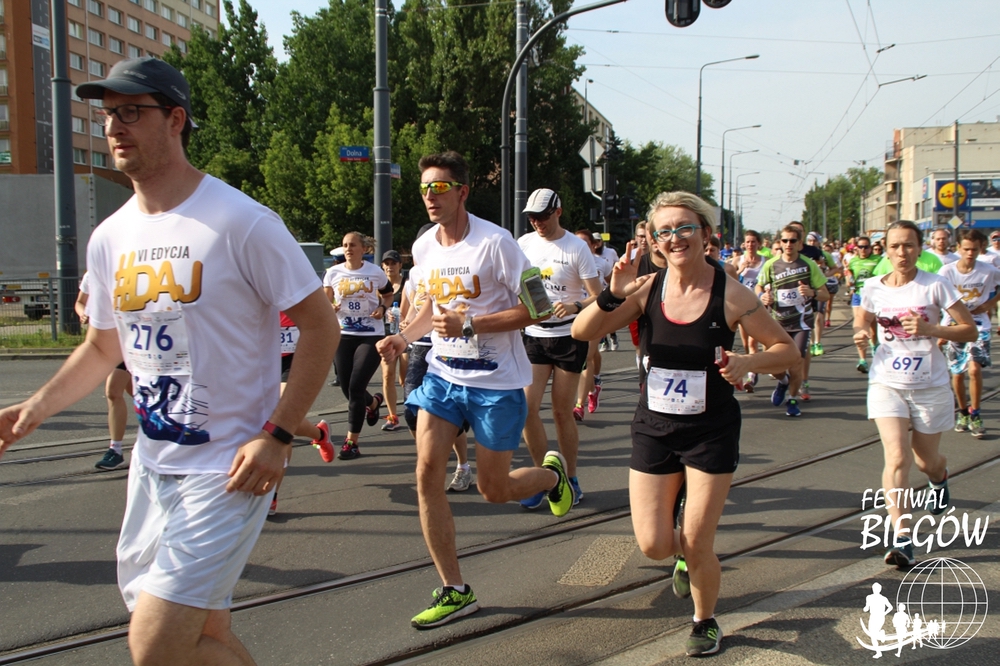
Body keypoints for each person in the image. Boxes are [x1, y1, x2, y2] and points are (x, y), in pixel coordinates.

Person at [0, 57, 339, 666]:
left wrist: (278, 435)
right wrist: (34, 409)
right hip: (153, 466)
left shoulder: (241, 221)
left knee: (153, 643)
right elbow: (103, 346)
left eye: (132, 111)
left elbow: (320, 325)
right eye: (108, 114)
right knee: (201, 637)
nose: (114, 126)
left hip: (227, 468)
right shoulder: (110, 237)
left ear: (176, 119)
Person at [572, 191, 797, 657]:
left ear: (706, 234)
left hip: (710, 431)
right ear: (654, 241)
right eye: (665, 231)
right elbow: (583, 331)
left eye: (685, 228)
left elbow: (787, 352)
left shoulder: (730, 294)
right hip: (654, 427)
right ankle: (684, 558)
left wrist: (747, 362)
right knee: (655, 544)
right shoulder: (646, 288)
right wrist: (613, 293)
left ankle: (704, 620)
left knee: (697, 541)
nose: (675, 238)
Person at [376, 151, 573, 629]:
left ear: (462, 192)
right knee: (427, 473)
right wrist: (404, 337)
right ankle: (455, 590)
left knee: (494, 489)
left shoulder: (496, 243)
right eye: (425, 188)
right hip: (443, 377)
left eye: (440, 187)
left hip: (496, 384)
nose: (430, 196)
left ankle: (552, 477)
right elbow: (428, 306)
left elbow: (539, 307)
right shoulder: (424, 247)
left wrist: (472, 324)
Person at [853, 220, 976, 568]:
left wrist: (931, 329)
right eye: (895, 246)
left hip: (929, 385)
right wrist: (860, 332)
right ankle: (903, 537)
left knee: (925, 461)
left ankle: (939, 477)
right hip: (886, 382)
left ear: (920, 249)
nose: (902, 252)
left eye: (908, 245)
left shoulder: (935, 284)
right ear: (886, 250)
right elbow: (861, 320)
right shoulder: (873, 286)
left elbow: (968, 330)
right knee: (896, 457)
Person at [517, 189, 601, 509]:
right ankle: (547, 477)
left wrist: (576, 305)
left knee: (561, 412)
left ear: (558, 212)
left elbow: (598, 294)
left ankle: (572, 477)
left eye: (543, 216)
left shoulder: (576, 247)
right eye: (532, 218)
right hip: (534, 334)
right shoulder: (524, 244)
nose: (537, 223)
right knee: (526, 409)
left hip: (568, 336)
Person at [401, 223, 473, 492]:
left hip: (449, 347)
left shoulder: (453, 268)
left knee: (450, 415)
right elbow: (413, 309)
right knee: (411, 411)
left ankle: (463, 466)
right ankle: (429, 460)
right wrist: (404, 328)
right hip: (419, 347)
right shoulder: (414, 275)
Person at [323, 232, 394, 460]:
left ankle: (352, 442)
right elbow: (325, 299)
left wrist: (382, 308)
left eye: (352, 245)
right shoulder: (333, 273)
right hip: (343, 334)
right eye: (345, 245)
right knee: (347, 387)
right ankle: (372, 403)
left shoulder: (375, 272)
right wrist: (330, 307)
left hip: (370, 334)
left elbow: (388, 294)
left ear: (364, 249)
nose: (348, 249)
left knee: (355, 386)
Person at [756, 225, 830, 417]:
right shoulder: (771, 264)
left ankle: (792, 399)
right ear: (780, 243)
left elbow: (825, 294)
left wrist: (812, 292)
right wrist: (763, 296)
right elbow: (759, 286)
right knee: (773, 365)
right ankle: (783, 381)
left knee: (796, 362)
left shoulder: (809, 265)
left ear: (799, 243)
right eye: (785, 240)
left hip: (801, 322)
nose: (788, 244)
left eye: (792, 240)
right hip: (777, 322)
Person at [938, 229, 1000, 438]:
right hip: (954, 325)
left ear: (981, 248)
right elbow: (938, 297)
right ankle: (963, 412)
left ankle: (976, 414)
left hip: (979, 325)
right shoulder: (947, 271)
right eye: (966, 249)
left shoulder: (988, 271)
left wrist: (990, 304)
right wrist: (940, 329)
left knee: (974, 369)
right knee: (957, 373)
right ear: (958, 248)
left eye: (974, 249)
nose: (970, 253)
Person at [273, 311, 334, 515]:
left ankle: (272, 495)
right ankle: (320, 434)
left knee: (281, 418)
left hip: (292, 356)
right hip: (258, 355)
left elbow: (323, 319)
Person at [76, 271, 133, 471]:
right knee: (140, 394)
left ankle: (115, 450)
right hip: (106, 343)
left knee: (113, 391)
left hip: (128, 341)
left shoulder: (126, 269)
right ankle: (165, 432)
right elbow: (80, 302)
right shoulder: (91, 275)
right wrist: (82, 313)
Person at [575, 229, 608, 420]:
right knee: (589, 355)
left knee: (586, 356)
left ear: (593, 245)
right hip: (573, 315)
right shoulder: (570, 260)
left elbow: (612, 284)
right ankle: (593, 387)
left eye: (585, 243)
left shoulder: (602, 263)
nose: (580, 246)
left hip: (596, 313)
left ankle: (579, 405)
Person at [379, 249, 407, 432]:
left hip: (405, 336)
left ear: (400, 265)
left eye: (393, 263)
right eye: (387, 264)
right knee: (387, 375)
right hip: (387, 335)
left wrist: (402, 317)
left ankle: (413, 411)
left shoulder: (406, 284)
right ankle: (393, 417)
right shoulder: (380, 286)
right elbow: (375, 309)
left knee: (405, 378)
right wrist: (382, 313)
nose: (390, 267)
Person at [846, 237, 880, 373]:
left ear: (870, 248)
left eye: (866, 247)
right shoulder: (853, 261)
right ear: (857, 248)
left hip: (873, 296)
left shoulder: (878, 260)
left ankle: (875, 345)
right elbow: (850, 274)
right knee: (860, 327)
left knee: (873, 327)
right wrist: (849, 279)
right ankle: (862, 360)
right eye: (860, 247)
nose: (863, 249)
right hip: (858, 295)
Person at [738, 231, 766, 391]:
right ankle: (752, 368)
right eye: (747, 242)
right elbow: (730, 278)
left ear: (758, 243)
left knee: (752, 342)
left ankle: (752, 376)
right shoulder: (738, 260)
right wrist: (740, 269)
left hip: (758, 306)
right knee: (746, 344)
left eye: (753, 241)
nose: (750, 245)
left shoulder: (765, 261)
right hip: (742, 306)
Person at [593, 232, 620, 351]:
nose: (597, 244)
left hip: (609, 287)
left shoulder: (610, 252)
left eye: (598, 241)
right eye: (594, 242)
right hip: (596, 290)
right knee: (599, 318)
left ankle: (613, 336)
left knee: (608, 316)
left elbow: (617, 264)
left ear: (602, 242)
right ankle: (604, 341)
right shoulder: (589, 255)